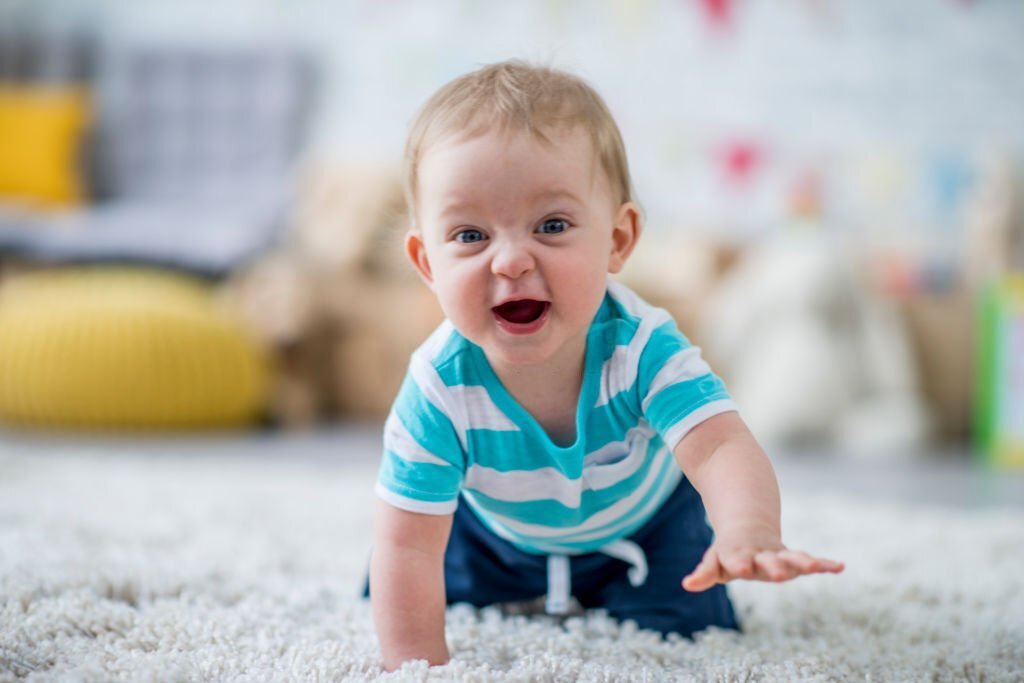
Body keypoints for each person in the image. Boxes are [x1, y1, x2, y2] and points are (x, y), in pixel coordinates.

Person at [367, 60, 844, 671]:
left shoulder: (642, 348)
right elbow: (406, 543)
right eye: (469, 236)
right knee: (404, 578)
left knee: (691, 628)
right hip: (496, 535)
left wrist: (748, 528)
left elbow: (720, 445)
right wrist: (414, 663)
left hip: (644, 529)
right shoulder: (437, 386)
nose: (510, 261)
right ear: (426, 262)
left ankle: (631, 586)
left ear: (618, 240)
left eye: (553, 225)